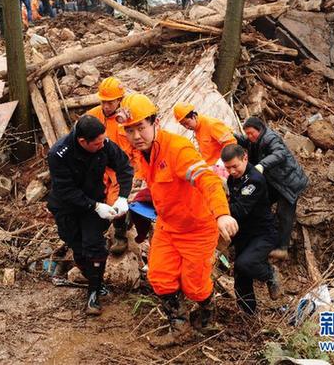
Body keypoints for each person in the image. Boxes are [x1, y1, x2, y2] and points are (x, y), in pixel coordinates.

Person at [118, 93, 238, 347]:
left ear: (155, 123)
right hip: (167, 226)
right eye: (130, 130)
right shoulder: (140, 152)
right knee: (159, 277)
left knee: (195, 287)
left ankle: (207, 313)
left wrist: (222, 213)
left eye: (141, 127)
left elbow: (207, 179)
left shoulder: (178, 150)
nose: (136, 135)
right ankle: (180, 325)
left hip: (197, 228)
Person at [47, 115, 134, 316]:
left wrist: (122, 197)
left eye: (103, 141)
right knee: (77, 246)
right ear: (82, 142)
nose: (101, 145)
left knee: (94, 246)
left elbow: (124, 167)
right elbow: (65, 190)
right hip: (67, 206)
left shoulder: (104, 145)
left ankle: (93, 294)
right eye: (96, 143)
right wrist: (94, 206)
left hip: (95, 202)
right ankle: (96, 280)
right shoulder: (59, 154)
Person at [236, 117, 309, 260]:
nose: (249, 137)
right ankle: (258, 233)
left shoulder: (271, 138)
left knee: (284, 214)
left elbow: (279, 153)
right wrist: (232, 137)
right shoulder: (254, 140)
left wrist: (262, 165)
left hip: (288, 182)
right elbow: (245, 141)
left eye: (251, 133)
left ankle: (282, 248)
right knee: (260, 202)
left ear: (260, 129)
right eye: (247, 134)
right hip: (274, 182)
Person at [222, 144, 281, 315]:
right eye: (228, 168)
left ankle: (270, 274)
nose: (232, 171)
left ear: (245, 158)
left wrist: (217, 209)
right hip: (244, 233)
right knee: (240, 275)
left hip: (263, 233)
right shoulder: (232, 179)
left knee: (245, 263)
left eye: (235, 166)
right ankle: (248, 313)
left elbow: (239, 209)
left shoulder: (254, 180)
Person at [86, 78, 137, 255]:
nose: (106, 106)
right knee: (95, 199)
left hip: (120, 168)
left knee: (115, 201)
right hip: (97, 167)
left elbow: (138, 145)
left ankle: (120, 234)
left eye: (110, 102)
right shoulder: (92, 116)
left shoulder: (128, 119)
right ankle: (96, 232)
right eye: (103, 102)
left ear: (119, 100)